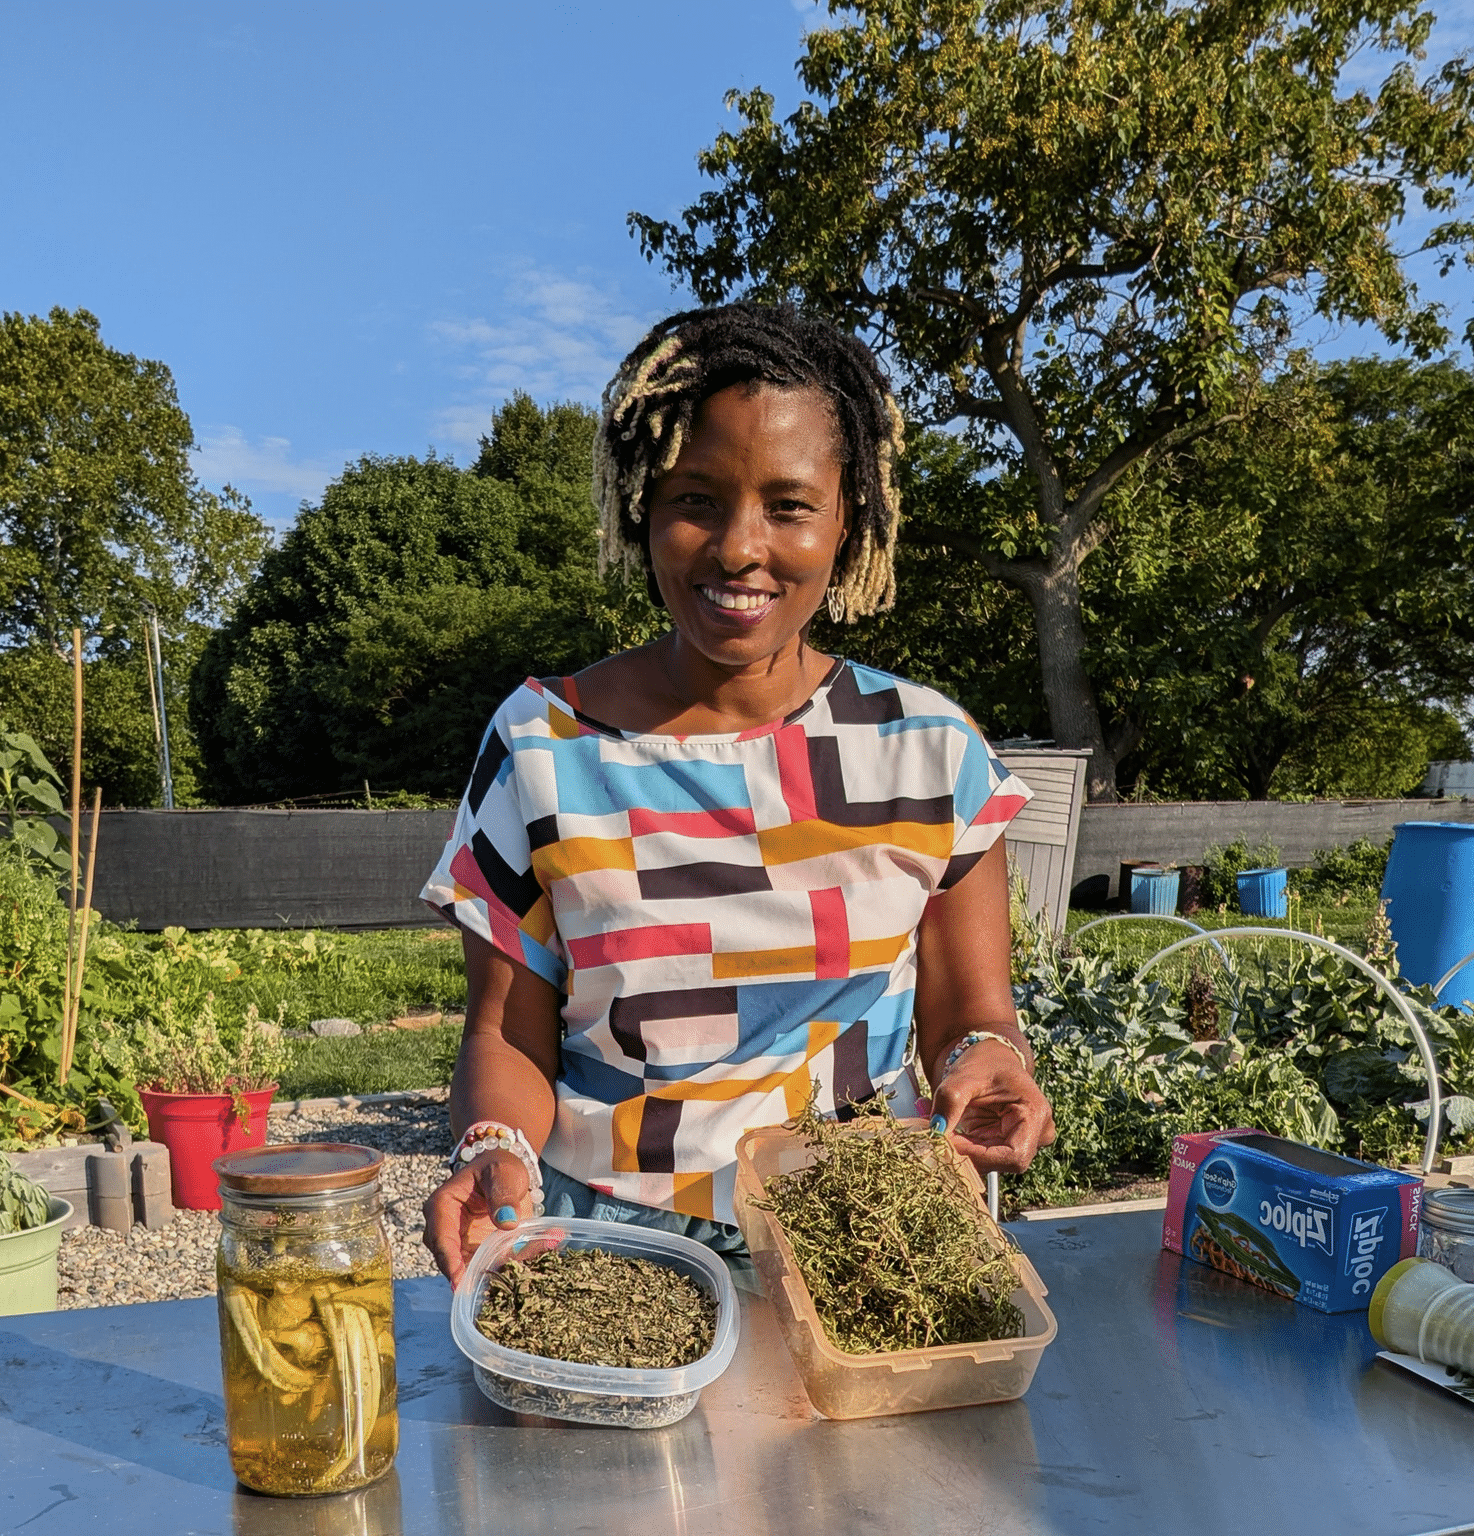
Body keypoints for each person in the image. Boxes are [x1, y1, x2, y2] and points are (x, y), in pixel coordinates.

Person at [420, 303, 1055, 1284]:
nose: (738, 547)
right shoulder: (543, 746)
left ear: (850, 519)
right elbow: (505, 1032)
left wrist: (988, 1060)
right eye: (697, 499)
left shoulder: (929, 754)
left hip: (860, 1245)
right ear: (642, 506)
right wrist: (493, 1144)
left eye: (790, 504)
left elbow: (971, 1014)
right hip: (608, 1252)